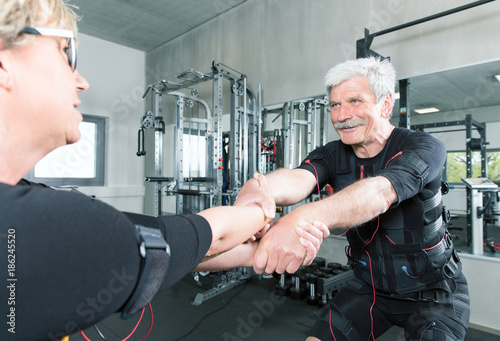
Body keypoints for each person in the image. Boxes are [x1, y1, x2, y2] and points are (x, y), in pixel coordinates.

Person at [0, 1, 329, 340]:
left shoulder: (29, 202)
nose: (81, 81)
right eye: (65, 53)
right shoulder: (35, 223)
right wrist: (260, 200)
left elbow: (164, 245)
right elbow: (193, 237)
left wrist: (266, 249)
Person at [235, 57, 470, 340]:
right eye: (335, 105)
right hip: (369, 290)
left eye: (355, 101)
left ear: (385, 105)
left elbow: (379, 193)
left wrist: (300, 217)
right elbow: (299, 178)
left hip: (433, 292)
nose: (342, 115)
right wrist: (260, 187)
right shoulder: (333, 153)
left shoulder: (423, 147)